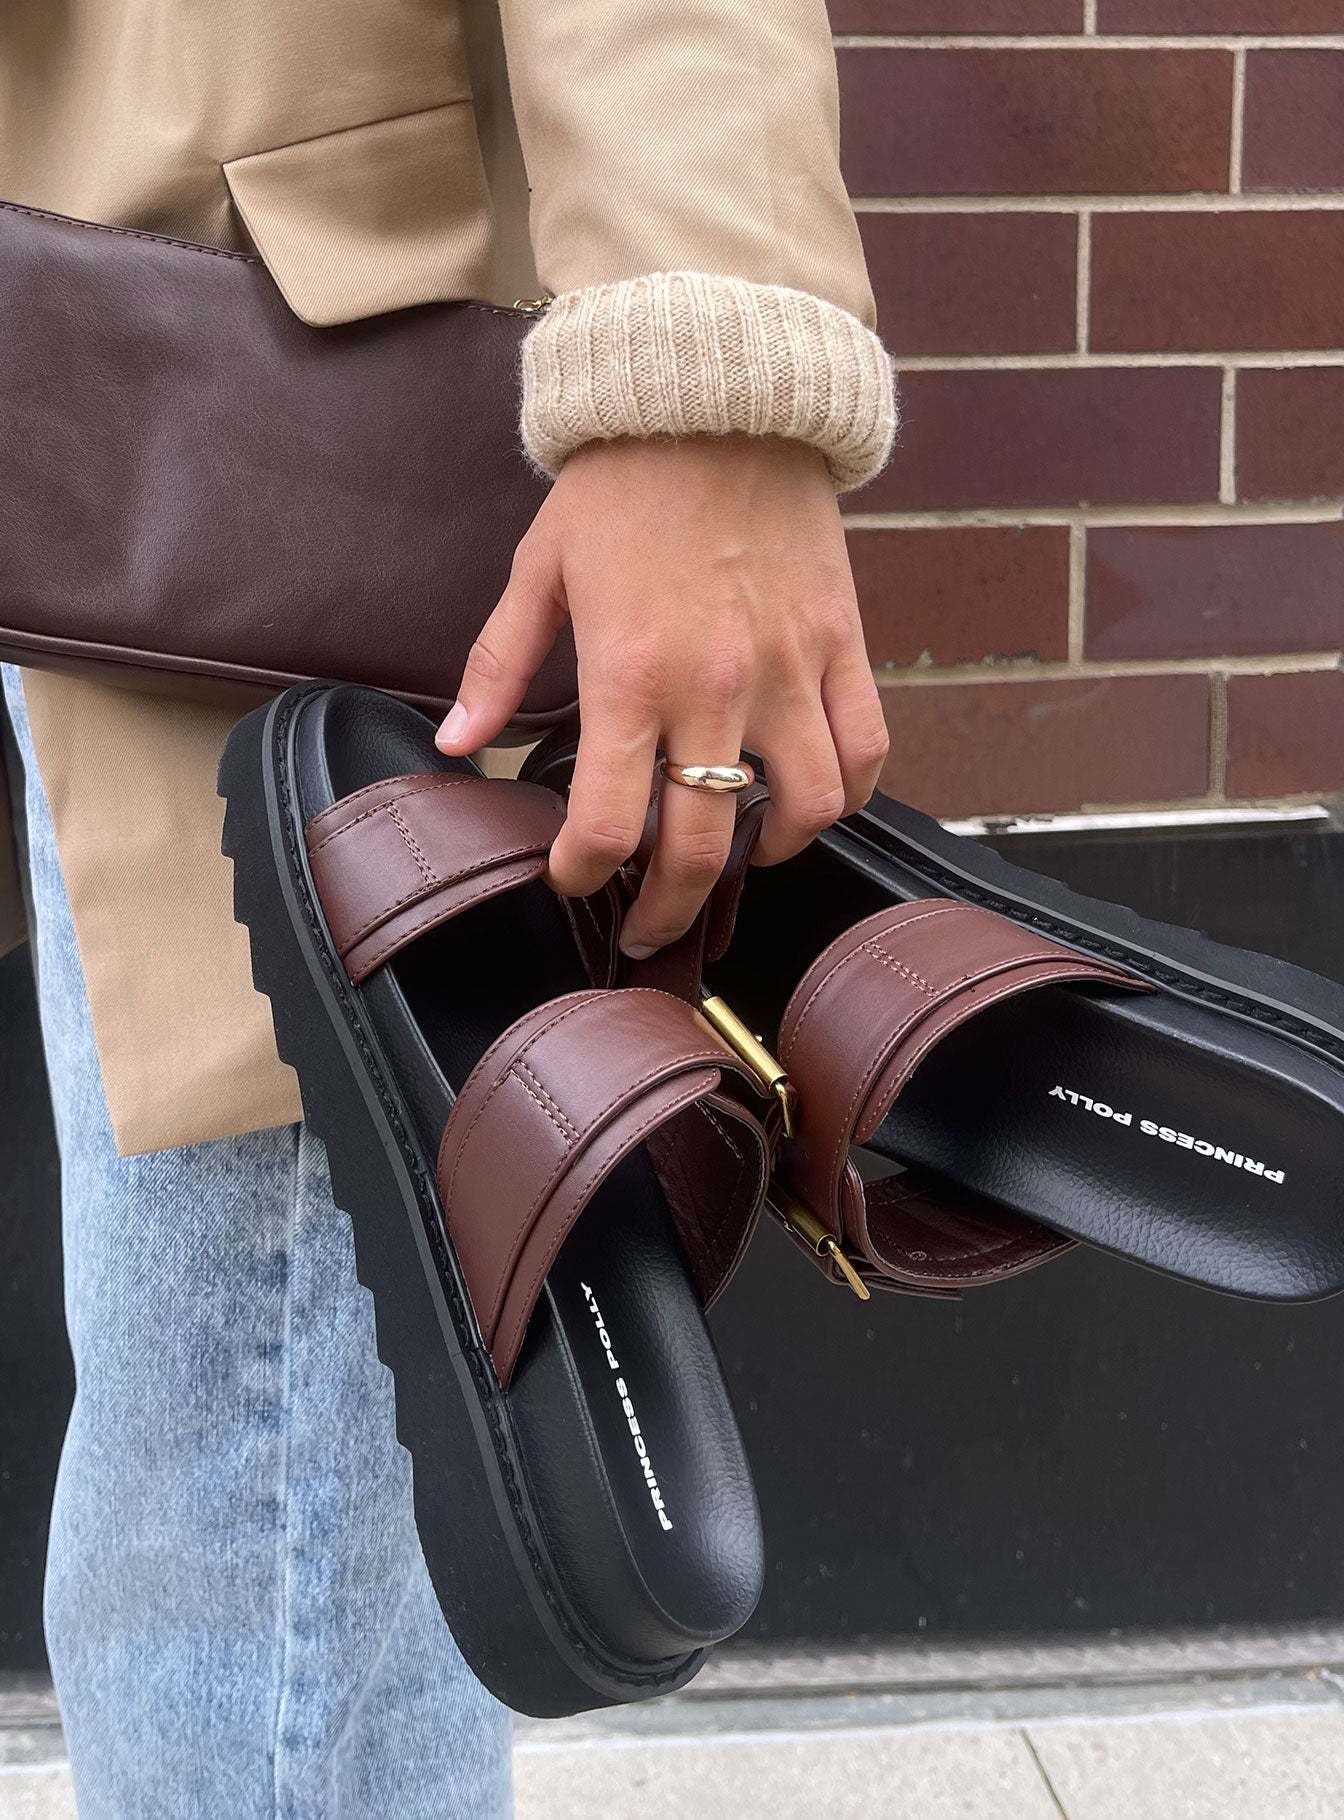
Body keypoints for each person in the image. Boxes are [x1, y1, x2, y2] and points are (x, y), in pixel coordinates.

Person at [0, 2, 895, 1813]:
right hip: (84, 358)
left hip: (287, 414)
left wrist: (704, 374)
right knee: (213, 1458)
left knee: (242, 1502)